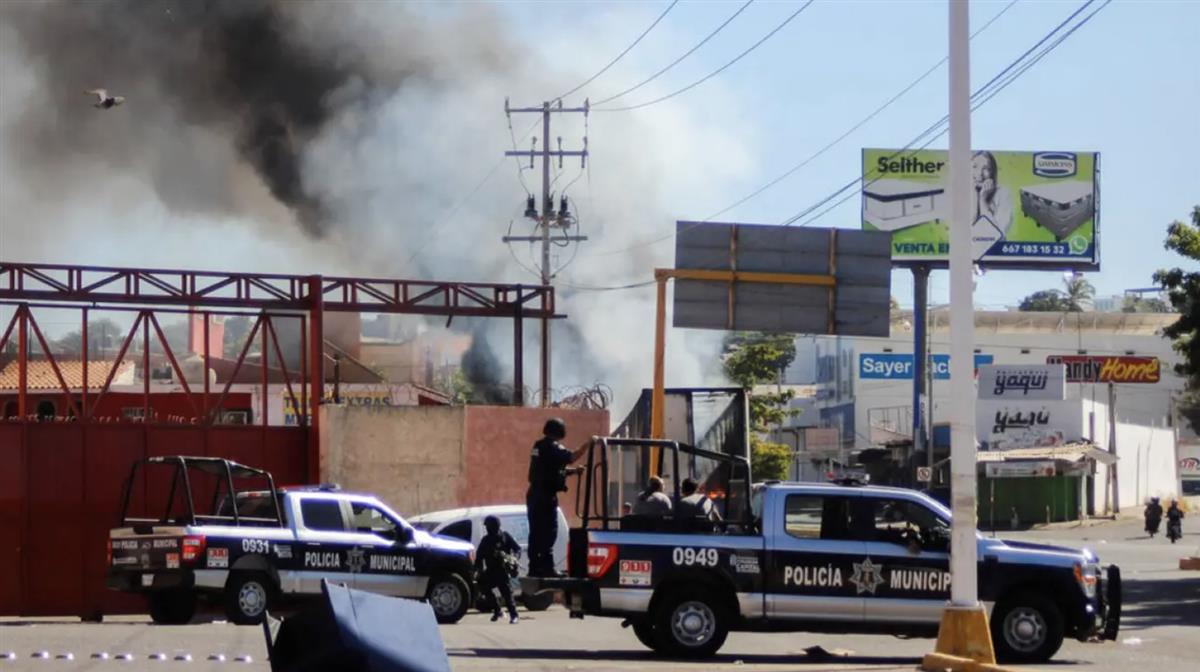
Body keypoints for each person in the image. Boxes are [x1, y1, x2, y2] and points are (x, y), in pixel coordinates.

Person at [526, 418, 586, 577]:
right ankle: (547, 568)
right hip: (546, 496)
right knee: (549, 532)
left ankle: (534, 568)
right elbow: (571, 457)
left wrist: (573, 472)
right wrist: (588, 444)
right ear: (559, 431)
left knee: (535, 532)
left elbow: (550, 470)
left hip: (534, 495)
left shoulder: (538, 446)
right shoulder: (553, 447)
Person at [475, 515, 521, 623]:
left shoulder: (505, 537)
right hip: (491, 571)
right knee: (483, 585)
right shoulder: (486, 540)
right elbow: (479, 557)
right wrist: (478, 570)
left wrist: (514, 558)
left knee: (507, 594)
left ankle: (514, 615)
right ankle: (497, 610)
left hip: (503, 571)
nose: (487, 529)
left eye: (488, 526)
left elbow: (517, 549)